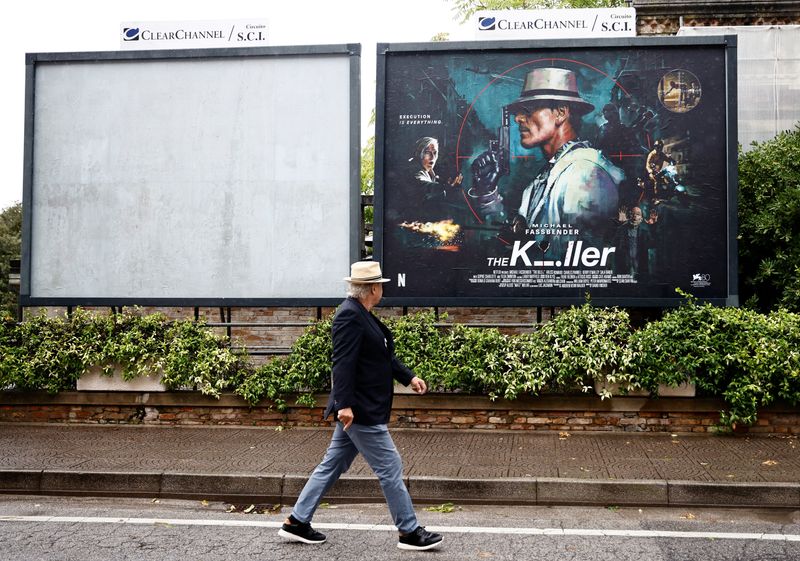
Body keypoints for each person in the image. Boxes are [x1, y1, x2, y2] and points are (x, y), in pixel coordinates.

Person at [279, 261, 443, 552]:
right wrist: (344, 404)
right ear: (372, 288)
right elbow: (341, 363)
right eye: (381, 285)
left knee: (332, 465)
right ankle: (409, 532)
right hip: (361, 410)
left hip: (360, 409)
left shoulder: (362, 314)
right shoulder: (349, 317)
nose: (383, 289)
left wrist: (409, 376)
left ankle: (296, 522)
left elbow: (383, 357)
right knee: (390, 467)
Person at [471, 67, 623, 252]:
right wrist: (487, 193)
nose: (518, 118)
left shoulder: (583, 176)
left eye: (528, 110)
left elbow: (575, 260)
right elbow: (521, 239)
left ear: (560, 112)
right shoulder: (546, 178)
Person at [410, 136, 462, 203]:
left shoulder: (429, 171)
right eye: (428, 153)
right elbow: (424, 186)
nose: (432, 157)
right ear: (418, 154)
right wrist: (445, 186)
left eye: (435, 153)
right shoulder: (413, 169)